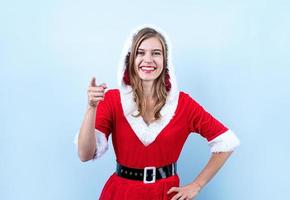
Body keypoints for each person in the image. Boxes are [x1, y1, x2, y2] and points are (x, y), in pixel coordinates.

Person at [75, 25, 240, 200]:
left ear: (165, 60)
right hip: (120, 194)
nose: (148, 59)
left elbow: (226, 142)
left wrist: (197, 185)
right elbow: (85, 155)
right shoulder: (112, 100)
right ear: (130, 59)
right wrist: (91, 108)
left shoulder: (183, 104)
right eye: (140, 52)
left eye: (156, 53)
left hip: (165, 194)